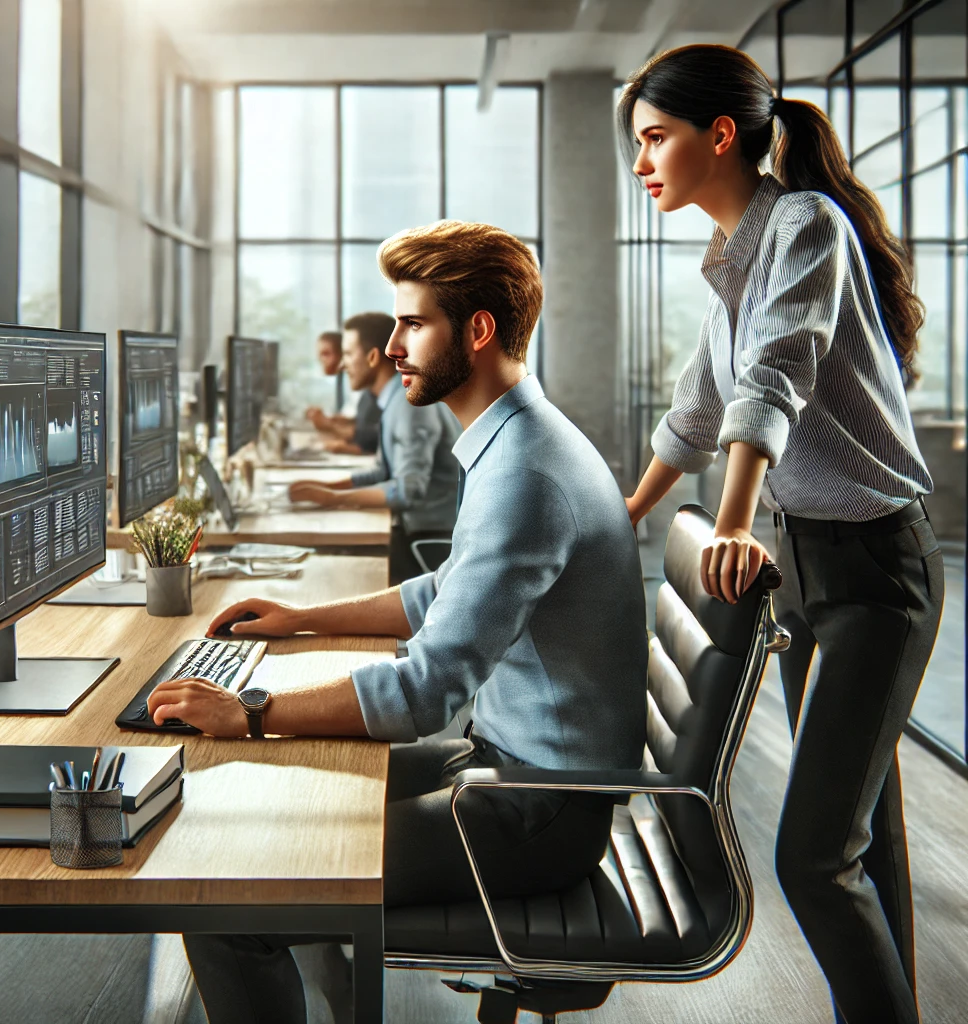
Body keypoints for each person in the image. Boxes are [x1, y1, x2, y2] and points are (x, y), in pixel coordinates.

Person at [147, 220, 648, 1024]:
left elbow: (423, 692)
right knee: (287, 806)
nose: (392, 347)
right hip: (510, 765)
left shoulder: (526, 473)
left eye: (414, 324)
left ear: (478, 332)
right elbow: (441, 592)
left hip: (542, 807)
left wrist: (250, 711)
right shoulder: (518, 438)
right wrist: (301, 619)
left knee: (229, 900)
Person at [617, 44, 943, 1024]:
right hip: (809, 566)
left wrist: (727, 523)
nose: (640, 162)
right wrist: (622, 515)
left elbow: (775, 375)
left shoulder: (805, 224)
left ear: (719, 134)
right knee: (861, 830)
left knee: (809, 855)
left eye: (654, 138)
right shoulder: (728, 255)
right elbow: (698, 404)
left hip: (876, 569)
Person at [290, 311, 462, 585]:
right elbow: (384, 471)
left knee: (335, 579)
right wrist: (332, 487)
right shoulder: (393, 400)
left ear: (371, 358)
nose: (343, 365)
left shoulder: (409, 405)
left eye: (347, 354)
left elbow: (408, 489)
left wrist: (335, 500)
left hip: (429, 541)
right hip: (413, 531)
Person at [305, 328, 380, 454]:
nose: (321, 360)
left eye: (326, 354)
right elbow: (362, 423)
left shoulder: (371, 388)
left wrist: (329, 425)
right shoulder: (352, 386)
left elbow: (371, 436)